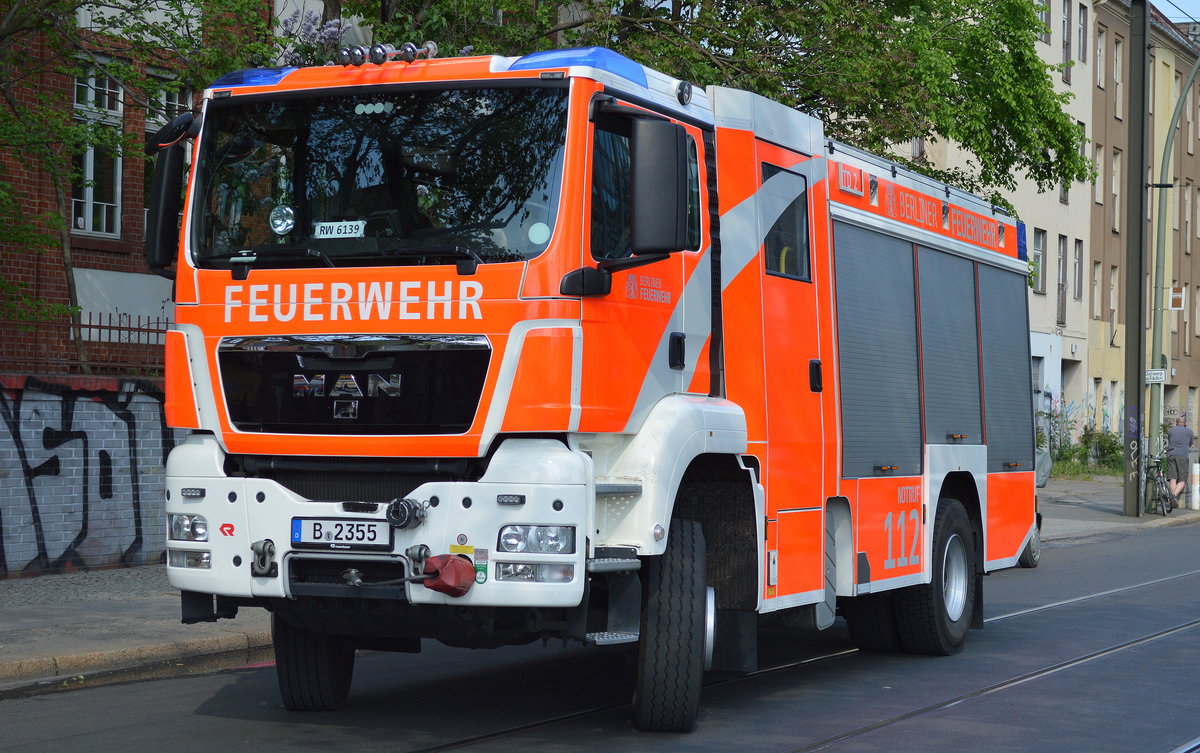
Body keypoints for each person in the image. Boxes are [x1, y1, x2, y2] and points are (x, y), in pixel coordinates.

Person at [1165, 416, 1195, 501]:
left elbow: (1170, 441)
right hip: (1182, 456)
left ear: (1176, 423)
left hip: (1171, 455)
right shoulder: (1189, 431)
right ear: (1185, 423)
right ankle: (1173, 496)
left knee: (1172, 478)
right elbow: (1190, 443)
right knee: (1182, 479)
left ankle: (1172, 500)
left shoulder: (1171, 431)